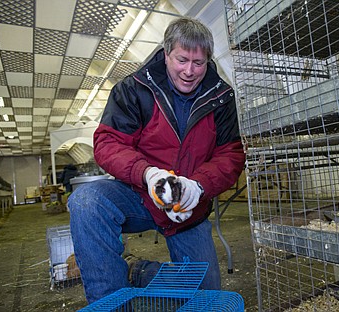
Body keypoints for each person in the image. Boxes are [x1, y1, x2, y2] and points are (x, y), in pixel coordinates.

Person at [68, 16, 245, 304]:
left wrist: (196, 187)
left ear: (208, 61)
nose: (189, 71)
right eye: (182, 60)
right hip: (140, 196)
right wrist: (147, 174)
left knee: (208, 298)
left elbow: (231, 155)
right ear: (166, 54)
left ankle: (141, 272)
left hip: (189, 210)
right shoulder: (134, 89)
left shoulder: (222, 98)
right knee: (86, 202)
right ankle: (112, 303)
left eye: (198, 63)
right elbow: (108, 143)